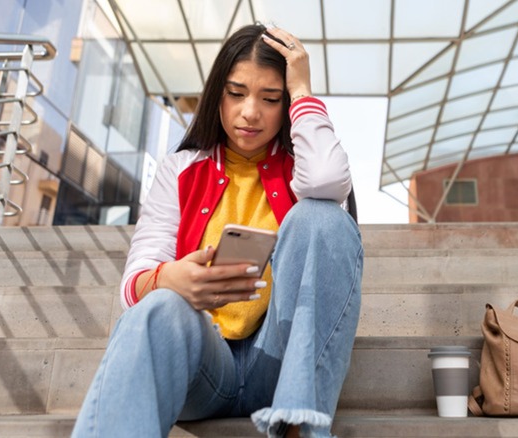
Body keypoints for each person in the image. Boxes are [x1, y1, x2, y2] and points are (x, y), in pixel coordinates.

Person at [72, 23, 363, 438]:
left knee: (323, 218)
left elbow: (329, 179)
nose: (250, 112)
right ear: (217, 96)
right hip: (202, 366)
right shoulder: (179, 170)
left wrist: (303, 91)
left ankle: (301, 425)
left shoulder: (303, 170)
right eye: (236, 93)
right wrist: (169, 279)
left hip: (280, 366)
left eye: (271, 98)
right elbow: (131, 286)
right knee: (158, 309)